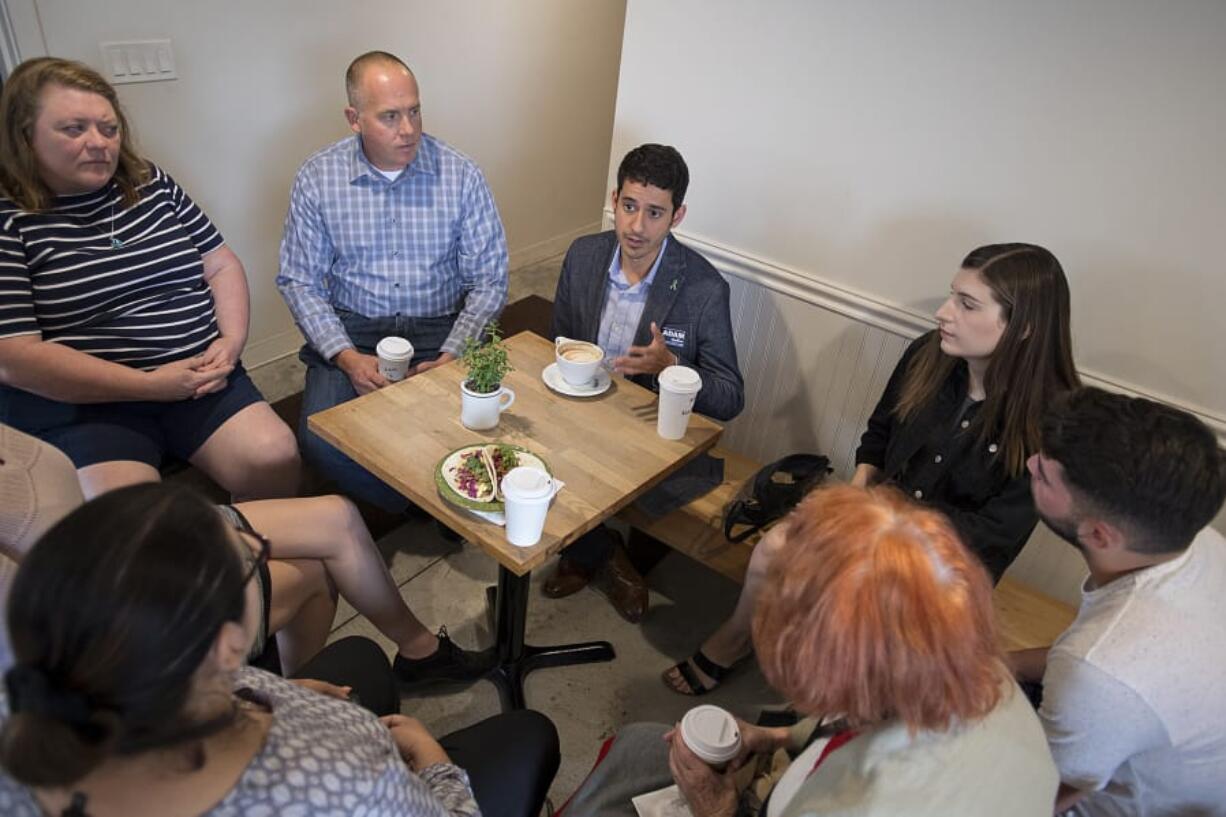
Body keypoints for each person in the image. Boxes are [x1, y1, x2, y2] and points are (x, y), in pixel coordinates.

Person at [664, 242, 1080, 695]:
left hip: (949, 564)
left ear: (1023, 327)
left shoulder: (1052, 422)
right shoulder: (929, 353)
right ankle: (737, 638)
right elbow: (878, 435)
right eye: (951, 295)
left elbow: (994, 534)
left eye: (967, 304)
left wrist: (883, 520)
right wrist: (859, 489)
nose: (943, 312)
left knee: (860, 606)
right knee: (775, 547)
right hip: (879, 515)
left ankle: (828, 709)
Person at [0, 482, 559, 817]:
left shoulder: (28, 740)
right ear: (224, 647)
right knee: (528, 731)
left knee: (361, 654)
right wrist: (434, 764)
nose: (255, 547)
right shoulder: (344, 782)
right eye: (247, 559)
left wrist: (271, 689)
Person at [562, 486, 1058, 816]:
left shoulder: (855, 803)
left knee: (626, 773)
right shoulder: (977, 673)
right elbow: (855, 722)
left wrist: (718, 809)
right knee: (638, 746)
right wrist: (774, 735)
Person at [0, 57, 299, 501]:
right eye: (74, 129)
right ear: (26, 136)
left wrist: (231, 343)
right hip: (89, 407)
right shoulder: (11, 220)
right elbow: (15, 357)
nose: (98, 142)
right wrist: (148, 385)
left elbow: (220, 263)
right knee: (130, 516)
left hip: (201, 379)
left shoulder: (150, 181)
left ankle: (275, 560)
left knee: (275, 456)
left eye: (108, 127)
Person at [0, 422, 484, 684]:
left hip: (123, 542)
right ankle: (296, 696)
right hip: (125, 614)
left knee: (337, 516)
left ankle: (418, 651)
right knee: (313, 572)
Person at [278, 50, 508, 513]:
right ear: (353, 118)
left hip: (439, 327)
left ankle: (441, 492)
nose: (408, 129)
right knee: (321, 438)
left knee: (476, 426)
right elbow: (299, 280)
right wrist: (345, 358)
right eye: (389, 116)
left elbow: (490, 278)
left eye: (414, 111)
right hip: (354, 329)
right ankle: (429, 506)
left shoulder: (461, 174)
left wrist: (454, 354)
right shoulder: (318, 178)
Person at [543, 144, 744, 622]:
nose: (636, 226)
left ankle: (592, 554)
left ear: (678, 215)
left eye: (654, 213)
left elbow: (732, 396)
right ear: (615, 197)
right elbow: (558, 339)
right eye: (629, 206)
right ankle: (601, 554)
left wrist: (671, 365)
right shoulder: (584, 255)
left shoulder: (703, 288)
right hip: (580, 405)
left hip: (647, 428)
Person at [1011, 387, 1226, 815]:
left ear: (1099, 535)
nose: (1032, 462)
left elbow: (1040, 796)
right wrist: (1006, 664)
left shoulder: (1099, 669)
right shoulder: (1196, 539)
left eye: (1044, 476)